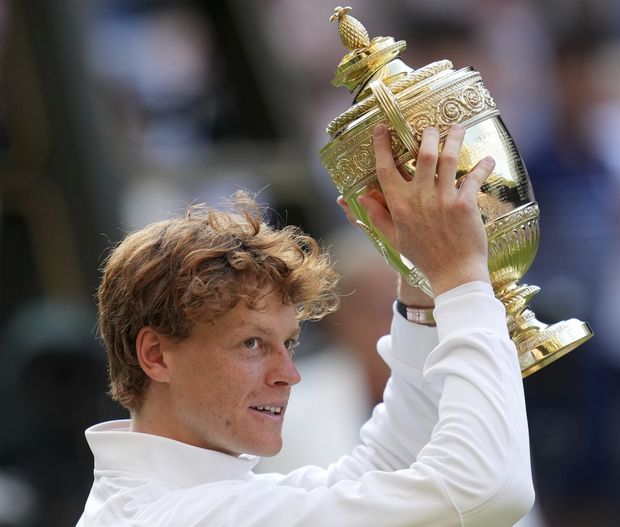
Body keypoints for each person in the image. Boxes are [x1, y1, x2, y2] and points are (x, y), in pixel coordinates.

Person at [77, 124, 535, 526]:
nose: (288, 374)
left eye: (289, 343)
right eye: (251, 343)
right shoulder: (187, 515)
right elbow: (486, 493)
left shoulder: (177, 499)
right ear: (156, 355)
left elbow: (391, 470)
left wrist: (420, 282)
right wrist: (461, 277)